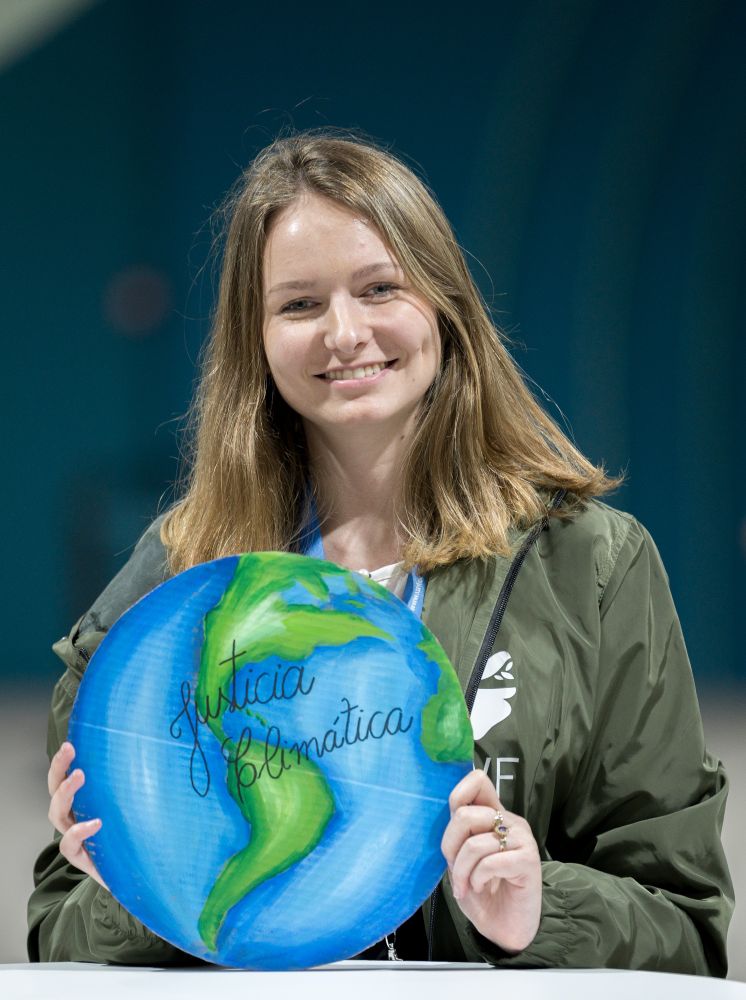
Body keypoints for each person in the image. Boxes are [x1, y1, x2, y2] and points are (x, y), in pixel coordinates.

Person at [28, 128, 733, 972]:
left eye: (379, 288)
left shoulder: (592, 566)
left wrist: (541, 909)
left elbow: (687, 930)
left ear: (444, 306)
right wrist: (135, 890)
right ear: (254, 338)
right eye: (299, 304)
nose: (344, 332)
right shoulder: (178, 578)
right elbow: (58, 932)